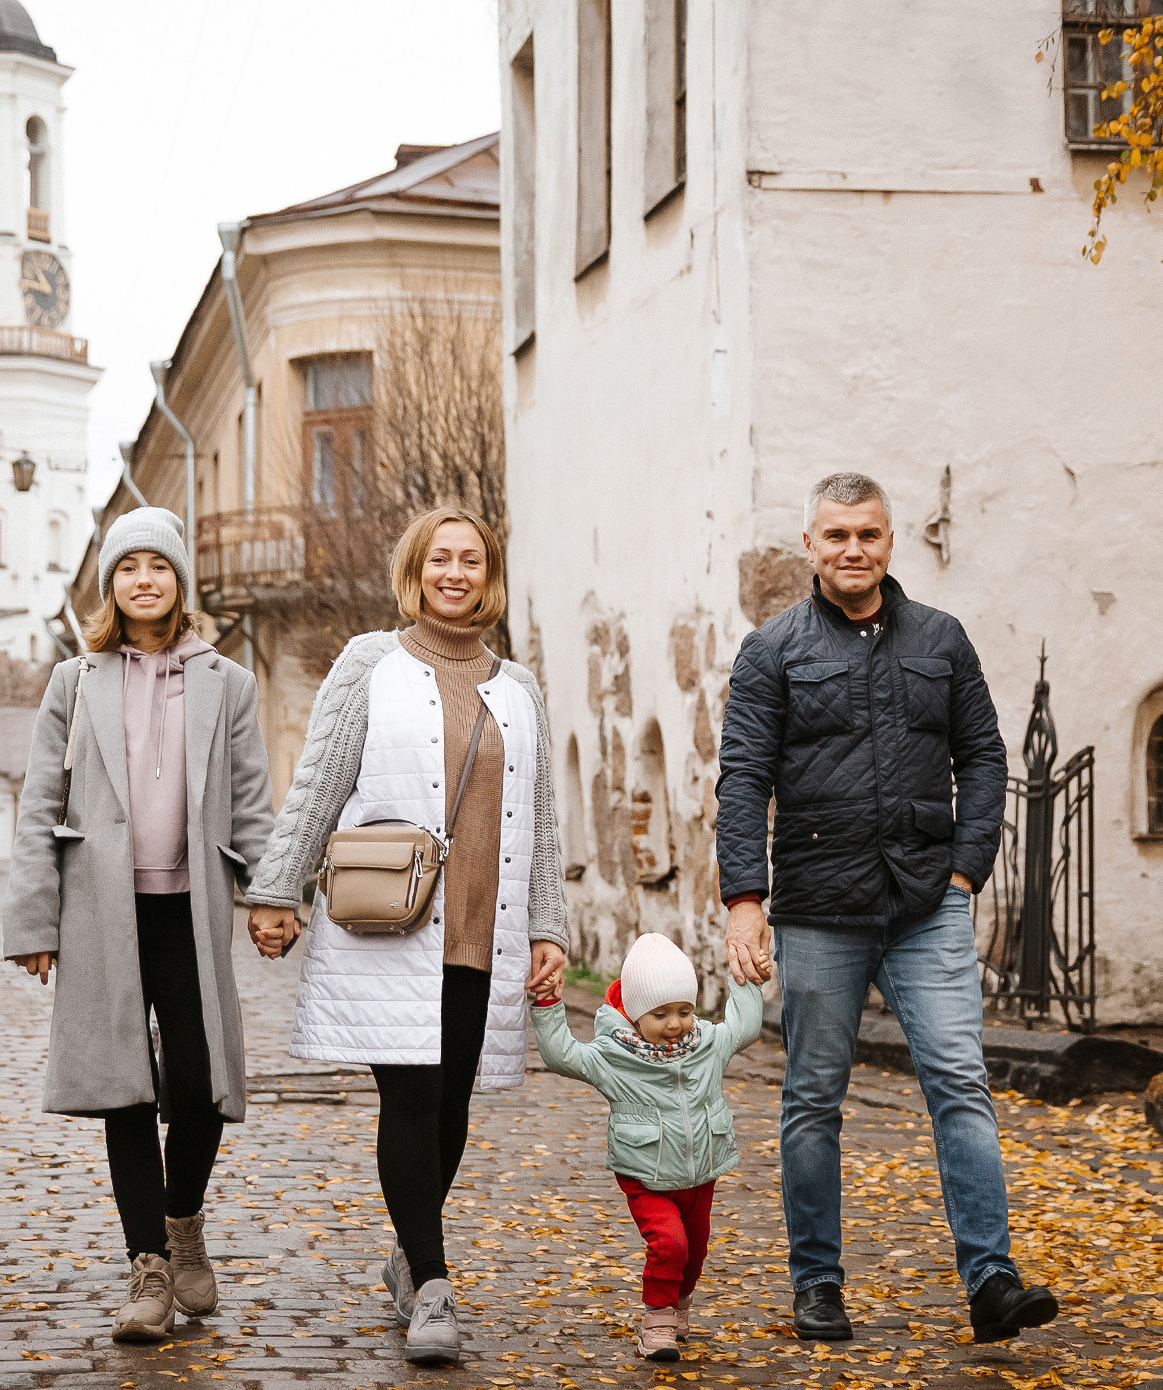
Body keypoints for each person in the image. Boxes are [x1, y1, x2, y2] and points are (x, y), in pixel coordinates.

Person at [715, 471, 1058, 1346]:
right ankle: (818, 1284)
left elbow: (984, 757)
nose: (852, 550)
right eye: (836, 536)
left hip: (924, 904)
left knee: (958, 1080)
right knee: (813, 1096)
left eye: (867, 534)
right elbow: (745, 776)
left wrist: (966, 872)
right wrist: (745, 901)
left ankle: (992, 1281)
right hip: (819, 907)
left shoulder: (941, 640)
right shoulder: (774, 650)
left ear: (890, 541)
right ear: (811, 546)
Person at [243, 505, 569, 1367]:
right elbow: (320, 780)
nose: (455, 573)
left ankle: (406, 1249)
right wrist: (277, 886)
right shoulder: (367, 665)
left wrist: (548, 924)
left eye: (471, 560)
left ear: (489, 574)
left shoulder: (521, 686)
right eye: (439, 559)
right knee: (412, 1099)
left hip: (482, 925)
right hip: (392, 919)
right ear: (415, 570)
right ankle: (432, 1283)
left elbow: (542, 818)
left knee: (453, 1104)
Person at [2, 507, 277, 1343]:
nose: (144, 580)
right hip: (100, 911)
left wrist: (271, 898)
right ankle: (149, 1268)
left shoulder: (226, 681)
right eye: (129, 568)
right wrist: (33, 922)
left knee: (199, 1083)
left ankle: (182, 1217)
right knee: (125, 1087)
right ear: (110, 585)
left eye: (159, 566)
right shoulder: (75, 681)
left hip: (189, 910)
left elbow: (252, 804)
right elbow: (40, 802)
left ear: (180, 583)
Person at [531, 934, 765, 1362]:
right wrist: (548, 1007)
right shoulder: (614, 1055)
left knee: (694, 1252)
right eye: (660, 1014)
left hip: (701, 1173)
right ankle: (657, 1318)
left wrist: (747, 981)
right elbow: (561, 1055)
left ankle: (678, 1305)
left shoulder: (707, 1045)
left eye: (684, 1011)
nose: (675, 1024)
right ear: (636, 1014)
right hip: (645, 1175)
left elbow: (745, 1027)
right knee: (670, 1244)